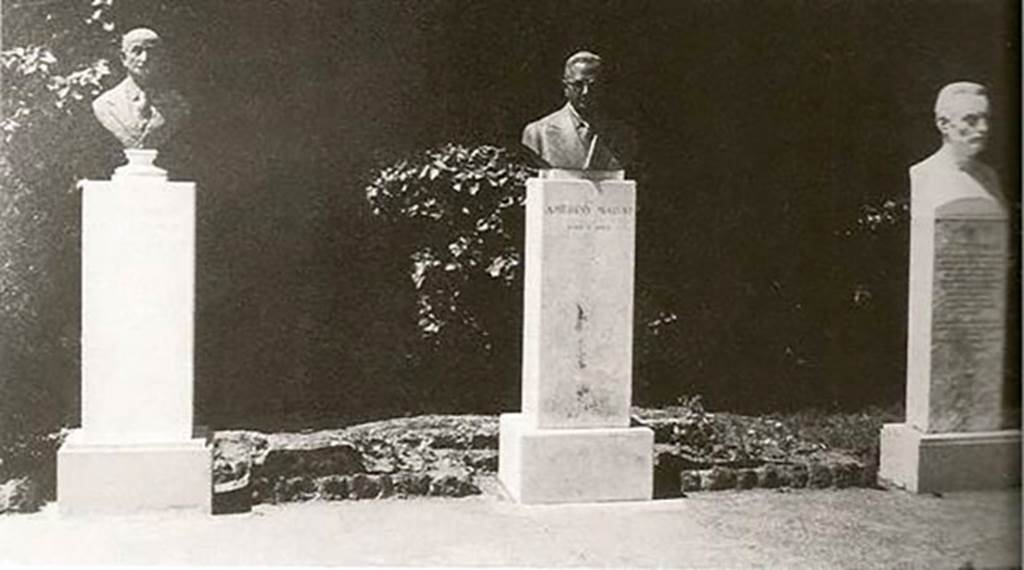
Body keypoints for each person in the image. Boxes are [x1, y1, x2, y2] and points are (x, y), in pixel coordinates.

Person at [521, 51, 636, 171]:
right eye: (578, 85)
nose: (586, 92)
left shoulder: (623, 135)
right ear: (565, 87)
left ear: (603, 87)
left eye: (593, 85)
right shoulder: (538, 134)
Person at [909, 82, 1002, 213]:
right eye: (971, 120)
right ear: (944, 124)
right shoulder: (924, 174)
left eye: (986, 119)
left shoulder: (990, 176)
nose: (984, 128)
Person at [92, 28, 189, 150]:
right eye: (137, 51)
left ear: (161, 58)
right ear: (124, 58)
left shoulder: (177, 104)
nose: (144, 58)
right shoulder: (105, 104)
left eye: (151, 52)